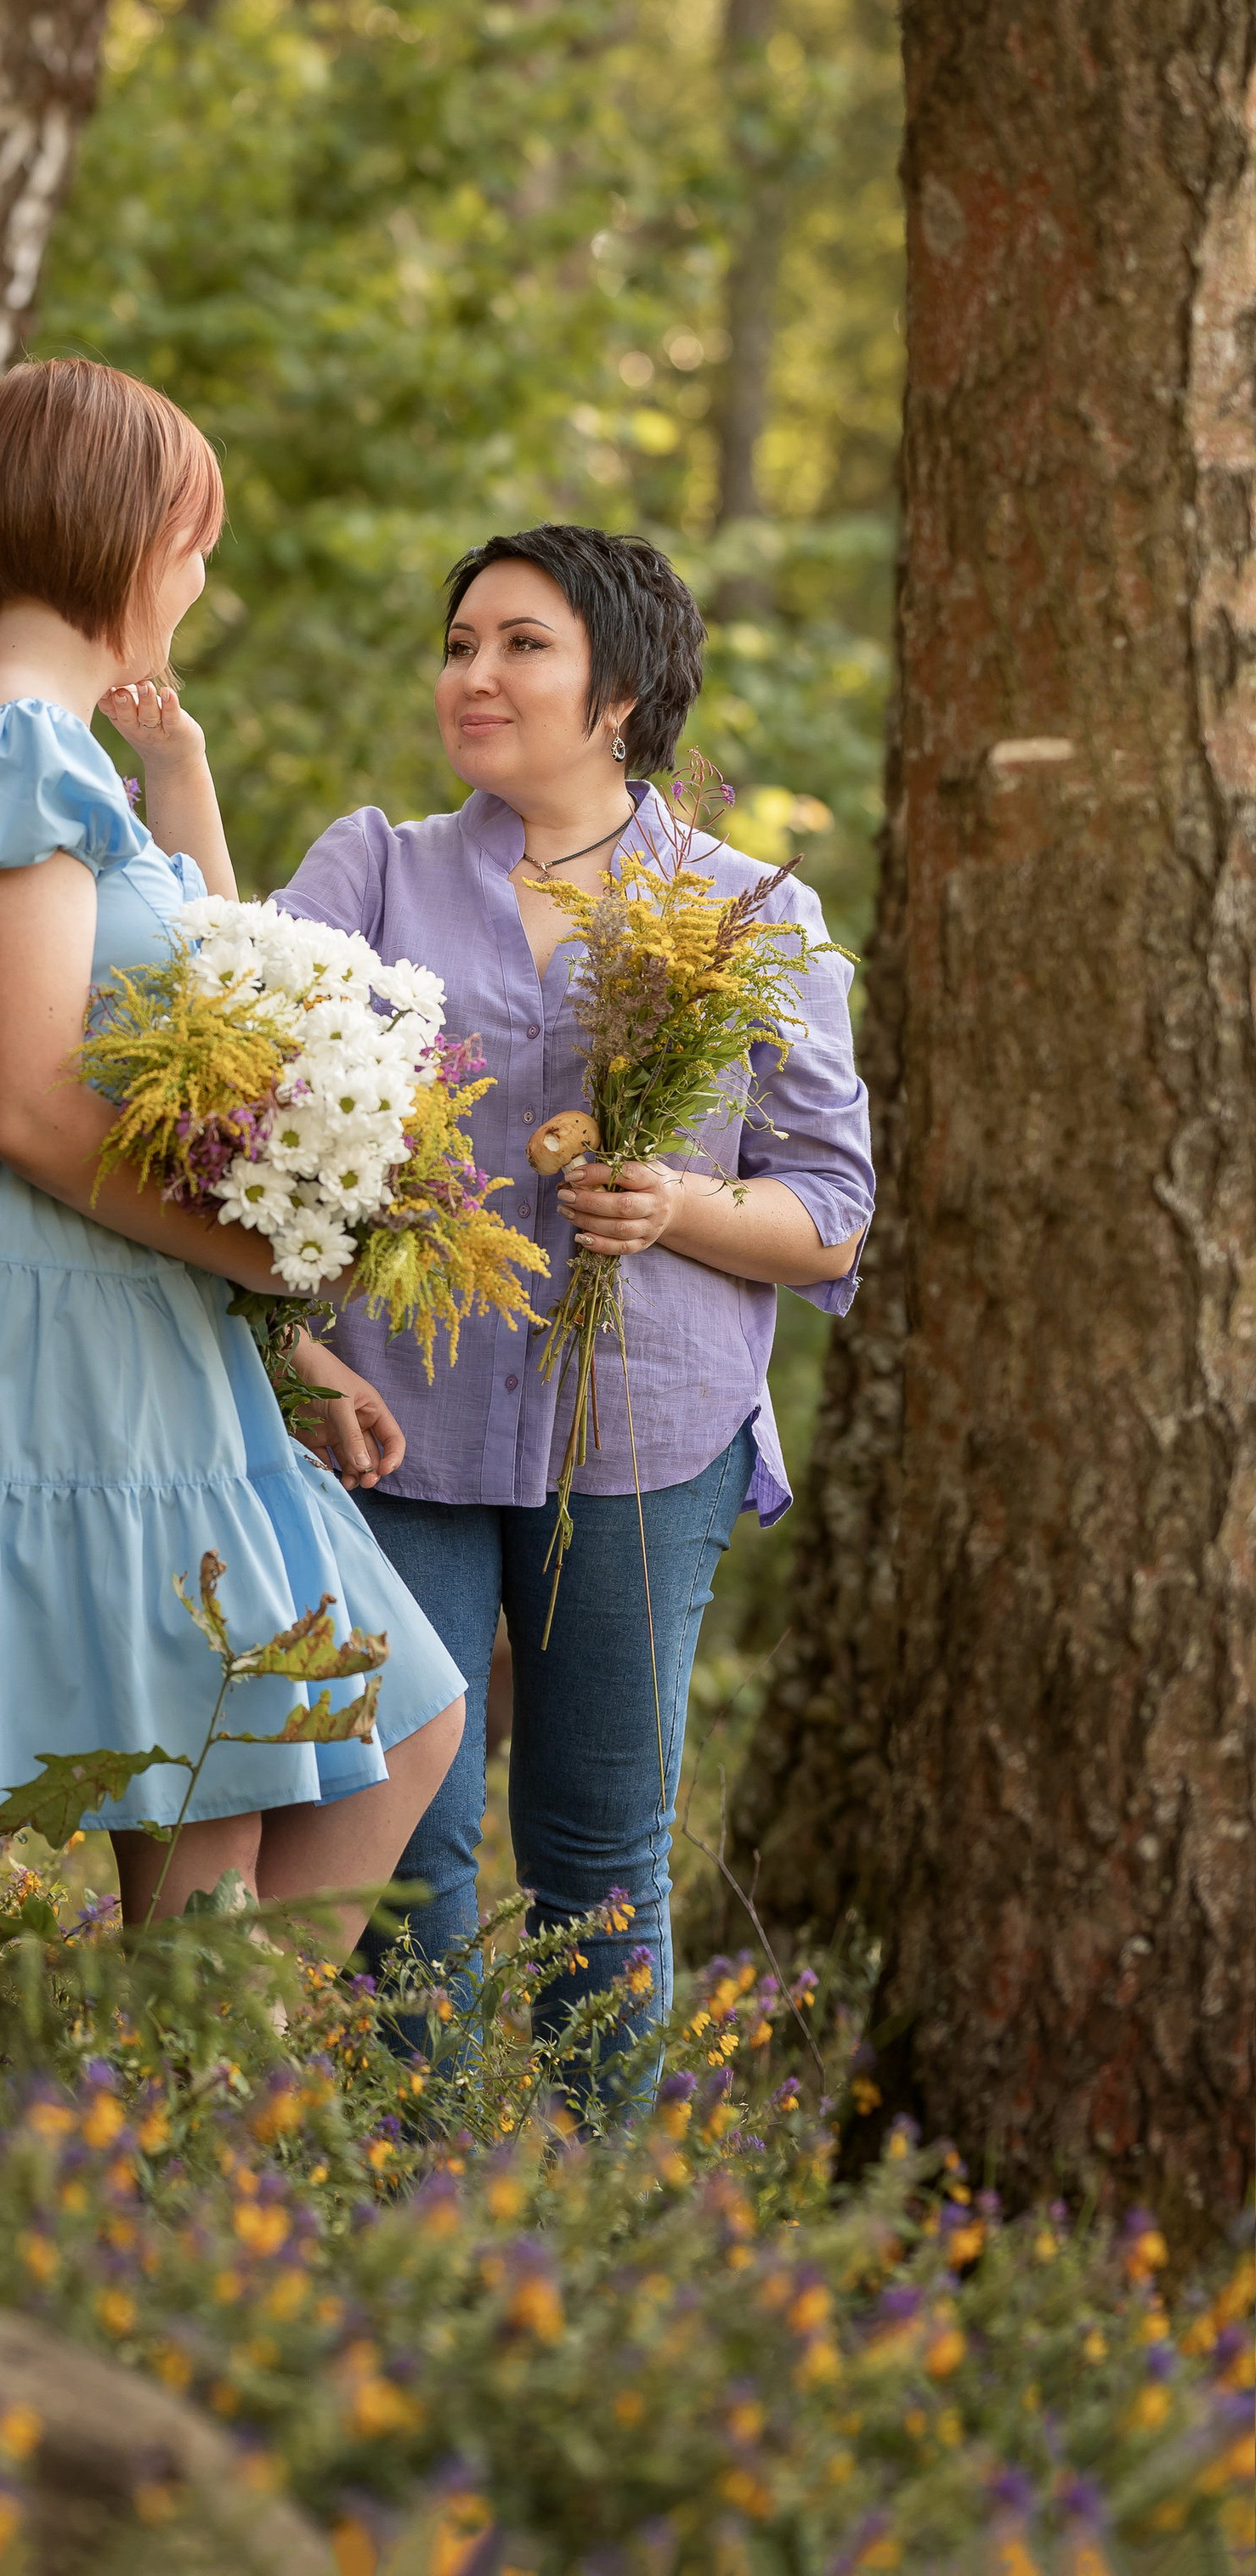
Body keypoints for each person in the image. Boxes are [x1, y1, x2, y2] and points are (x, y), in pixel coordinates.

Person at [0, 360, 466, 1956]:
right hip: (51, 1312)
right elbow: (35, 1105)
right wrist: (265, 1257)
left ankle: (182, 2123)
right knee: (224, 1787)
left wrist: (287, 1331)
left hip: (126, 1305)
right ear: (122, 528)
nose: (202, 573)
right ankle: (184, 2144)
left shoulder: (60, 754)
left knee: (395, 1719)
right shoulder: (18, 753)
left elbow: (172, 1051)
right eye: (195, 536)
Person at [274, 524, 873, 2032]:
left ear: (620, 692)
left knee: (600, 1856)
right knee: (405, 1839)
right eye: (460, 643)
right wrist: (288, 1337)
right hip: (395, 1424)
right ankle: (412, 2208)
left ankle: (587, 2235)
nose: (473, 673)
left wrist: (672, 1203)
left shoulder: (753, 915)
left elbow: (832, 1215)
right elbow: (239, 1119)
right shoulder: (372, 873)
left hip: (643, 1440)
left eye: (520, 644)